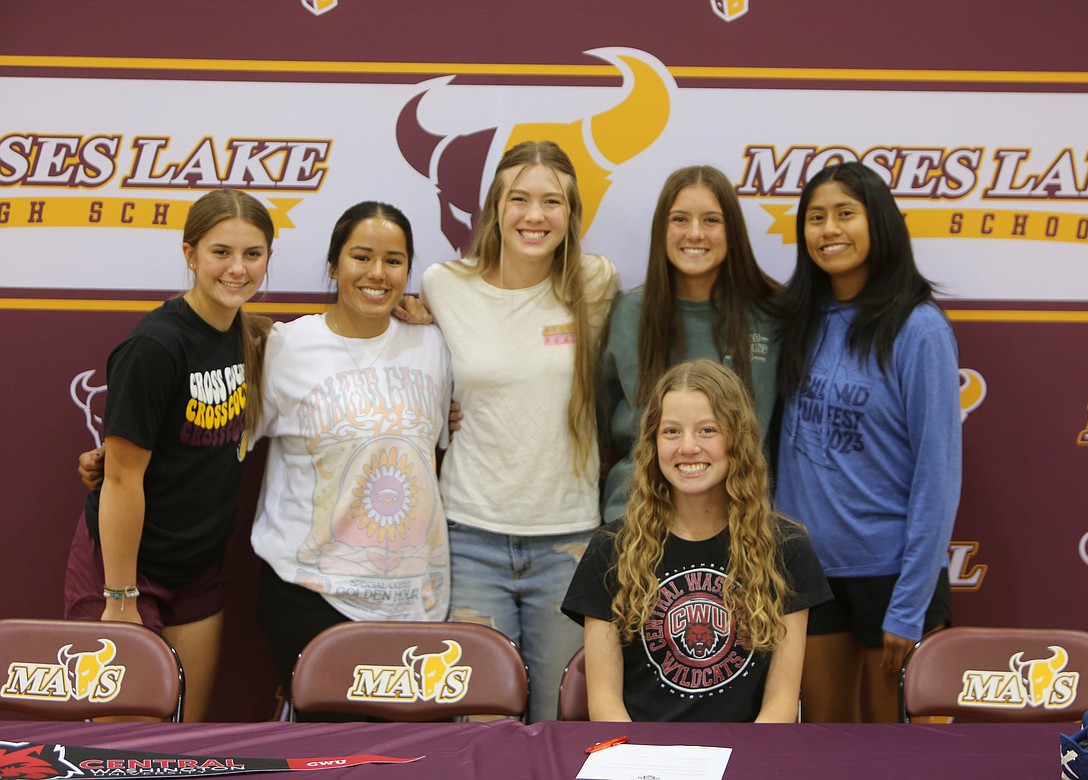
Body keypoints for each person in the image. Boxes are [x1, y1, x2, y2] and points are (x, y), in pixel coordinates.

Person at [420, 140, 619, 722]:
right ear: (493, 209)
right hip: (469, 538)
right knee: (479, 722)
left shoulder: (594, 282)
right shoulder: (443, 283)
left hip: (568, 541)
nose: (535, 216)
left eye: (552, 201)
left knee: (560, 721)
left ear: (571, 214)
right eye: (520, 199)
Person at [63, 189, 273, 722]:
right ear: (190, 255)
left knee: (182, 744)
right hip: (130, 571)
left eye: (253, 254)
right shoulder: (154, 346)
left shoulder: (247, 334)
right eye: (220, 252)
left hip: (200, 569)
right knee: (124, 750)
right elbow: (120, 481)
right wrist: (119, 597)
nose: (238, 268)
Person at [773, 161, 961, 723]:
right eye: (815, 217)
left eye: (845, 214)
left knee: (904, 756)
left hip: (893, 575)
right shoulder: (796, 320)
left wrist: (909, 607)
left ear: (879, 222)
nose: (829, 229)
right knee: (826, 746)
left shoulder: (918, 328)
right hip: (810, 571)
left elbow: (939, 476)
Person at [249, 202, 452, 694]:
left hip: (416, 602)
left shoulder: (435, 345)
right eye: (361, 257)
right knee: (327, 756)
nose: (377, 274)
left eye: (394, 260)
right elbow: (220, 443)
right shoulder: (287, 347)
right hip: (309, 597)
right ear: (333, 265)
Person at [563, 359, 830, 722]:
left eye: (708, 430)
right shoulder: (611, 548)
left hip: (746, 759)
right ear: (653, 443)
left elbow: (781, 704)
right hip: (643, 764)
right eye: (671, 431)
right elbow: (605, 702)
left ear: (738, 438)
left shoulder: (787, 548)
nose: (688, 447)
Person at [598, 165, 783, 524]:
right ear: (662, 229)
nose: (695, 233)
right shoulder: (627, 314)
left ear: (733, 231)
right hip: (639, 523)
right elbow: (600, 424)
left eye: (711, 220)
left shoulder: (771, 315)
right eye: (680, 219)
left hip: (741, 528)